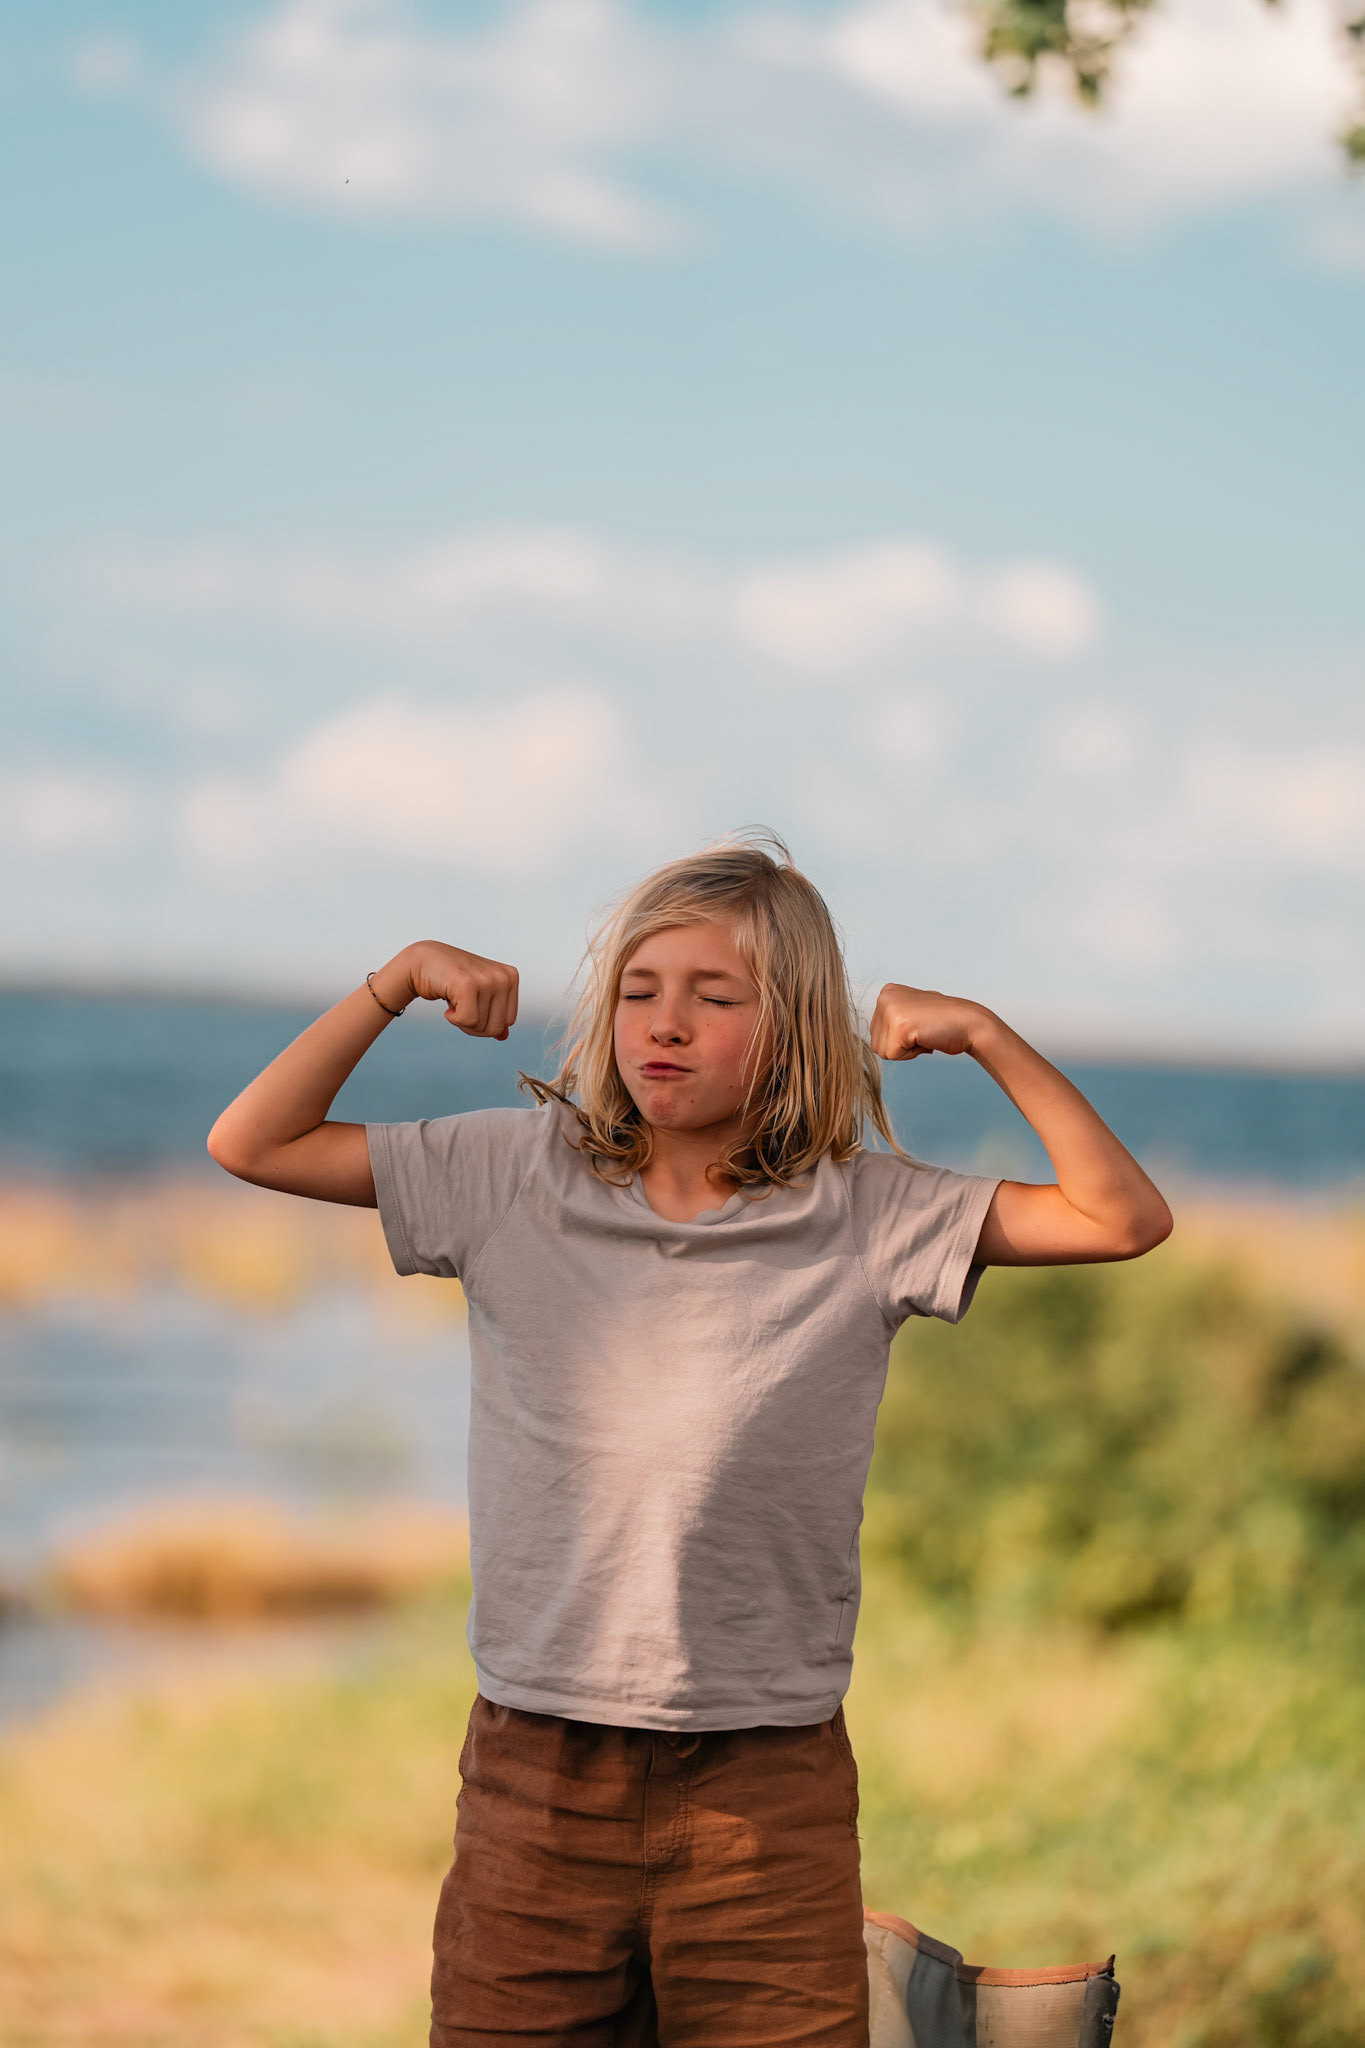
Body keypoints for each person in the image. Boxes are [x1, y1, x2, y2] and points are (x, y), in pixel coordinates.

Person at [207, 831, 1171, 2048]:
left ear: (796, 1030)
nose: (664, 1023)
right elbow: (253, 1141)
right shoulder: (509, 1173)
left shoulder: (867, 1211)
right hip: (537, 1773)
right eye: (638, 991)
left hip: (766, 1790)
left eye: (715, 997)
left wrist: (982, 1032)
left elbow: (1120, 1216)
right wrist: (390, 984)